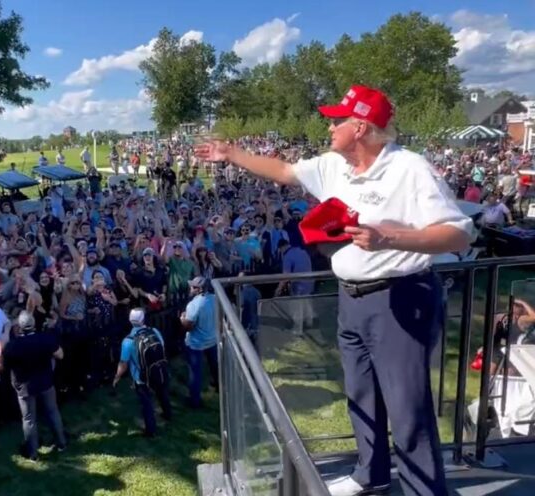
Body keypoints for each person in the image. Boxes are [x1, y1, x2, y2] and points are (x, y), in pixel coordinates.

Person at [196, 84, 472, 496]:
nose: (329, 126)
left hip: (400, 297)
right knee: (361, 394)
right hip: (351, 297)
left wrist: (391, 239)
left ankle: (426, 491)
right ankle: (372, 473)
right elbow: (287, 173)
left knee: (408, 408)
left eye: (337, 119)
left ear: (360, 127)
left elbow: (458, 235)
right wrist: (231, 154)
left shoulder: (409, 168)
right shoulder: (333, 166)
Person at [0, 311, 67, 460]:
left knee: (29, 419)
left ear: (18, 327)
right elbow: (60, 355)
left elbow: (1, 367)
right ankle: (61, 443)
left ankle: (33, 454)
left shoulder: (13, 345)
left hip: (24, 387)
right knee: (53, 412)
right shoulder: (45, 339)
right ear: (34, 324)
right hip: (45, 382)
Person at [113, 308, 171, 437]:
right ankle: (168, 414)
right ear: (143, 319)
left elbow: (123, 363)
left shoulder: (128, 341)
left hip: (140, 377)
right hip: (158, 371)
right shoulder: (154, 331)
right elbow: (162, 346)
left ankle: (151, 431)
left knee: (146, 404)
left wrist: (117, 376)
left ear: (130, 321)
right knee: (162, 393)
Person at [180, 276, 218, 409]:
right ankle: (219, 386)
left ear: (199, 289)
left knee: (195, 372)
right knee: (215, 366)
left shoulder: (194, 305)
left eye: (193, 286)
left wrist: (182, 318)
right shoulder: (215, 299)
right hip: (212, 339)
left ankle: (194, 401)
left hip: (196, 343)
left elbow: (188, 326)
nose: (190, 288)